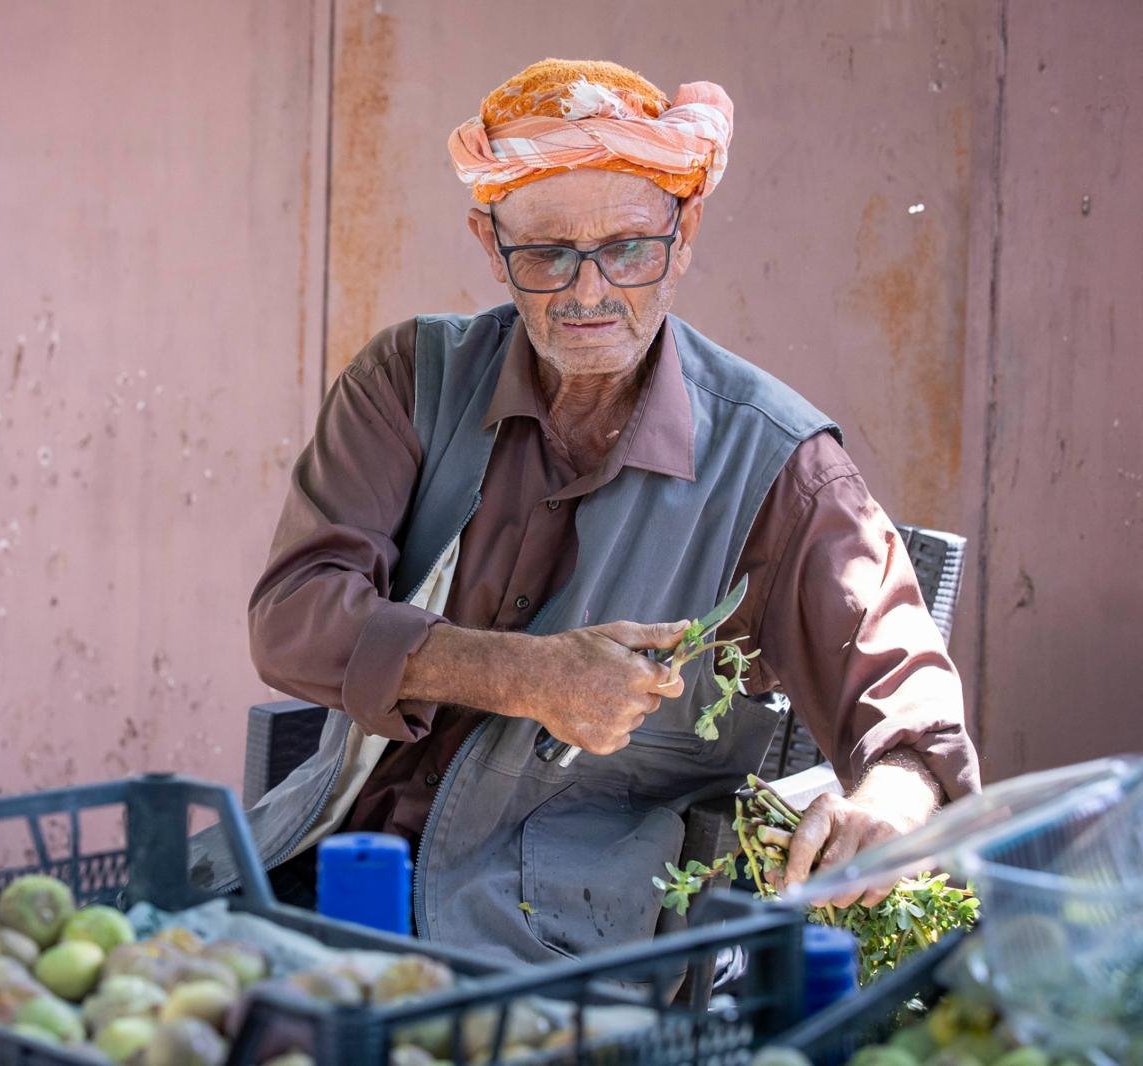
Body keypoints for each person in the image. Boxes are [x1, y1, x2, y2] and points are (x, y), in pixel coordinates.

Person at [195, 58, 980, 964]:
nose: (589, 291)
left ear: (683, 240)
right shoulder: (409, 380)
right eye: (546, 254)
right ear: (492, 248)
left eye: (629, 249)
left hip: (555, 943)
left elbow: (911, 709)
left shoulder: (784, 469)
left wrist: (887, 804)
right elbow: (291, 620)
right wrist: (522, 675)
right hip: (324, 860)